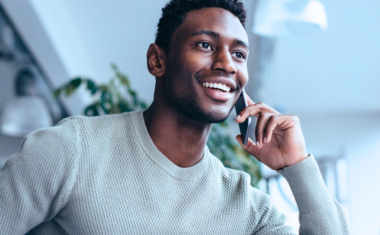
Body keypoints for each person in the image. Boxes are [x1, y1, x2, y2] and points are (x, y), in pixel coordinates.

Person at [0, 0, 349, 234]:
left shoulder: (248, 208)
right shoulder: (71, 150)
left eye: (239, 54)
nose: (228, 64)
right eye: (205, 45)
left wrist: (298, 166)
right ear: (157, 61)